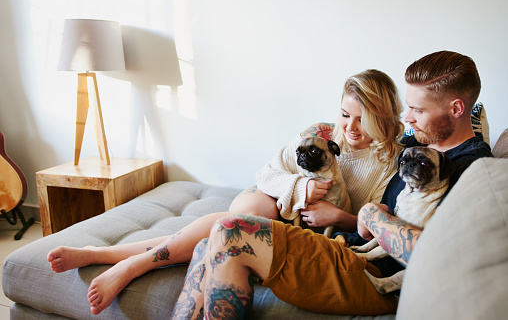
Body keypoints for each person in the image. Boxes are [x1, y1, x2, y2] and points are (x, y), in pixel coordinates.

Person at [47, 69, 404, 315]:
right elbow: (267, 173)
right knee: (242, 220)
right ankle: (131, 265)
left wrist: (340, 216)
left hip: (319, 225)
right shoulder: (323, 133)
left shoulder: (393, 161)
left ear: (383, 116)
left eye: (363, 119)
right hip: (274, 200)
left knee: (216, 235)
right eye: (345, 115)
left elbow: (377, 224)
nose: (350, 128)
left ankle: (103, 254)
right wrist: (301, 186)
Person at [171, 51, 493, 319]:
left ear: (456, 109)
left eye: (418, 110)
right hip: (346, 246)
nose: (406, 118)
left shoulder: (474, 169)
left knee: (232, 232)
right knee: (206, 246)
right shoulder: (417, 142)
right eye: (408, 107)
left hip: (375, 274)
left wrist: (372, 216)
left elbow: (433, 254)